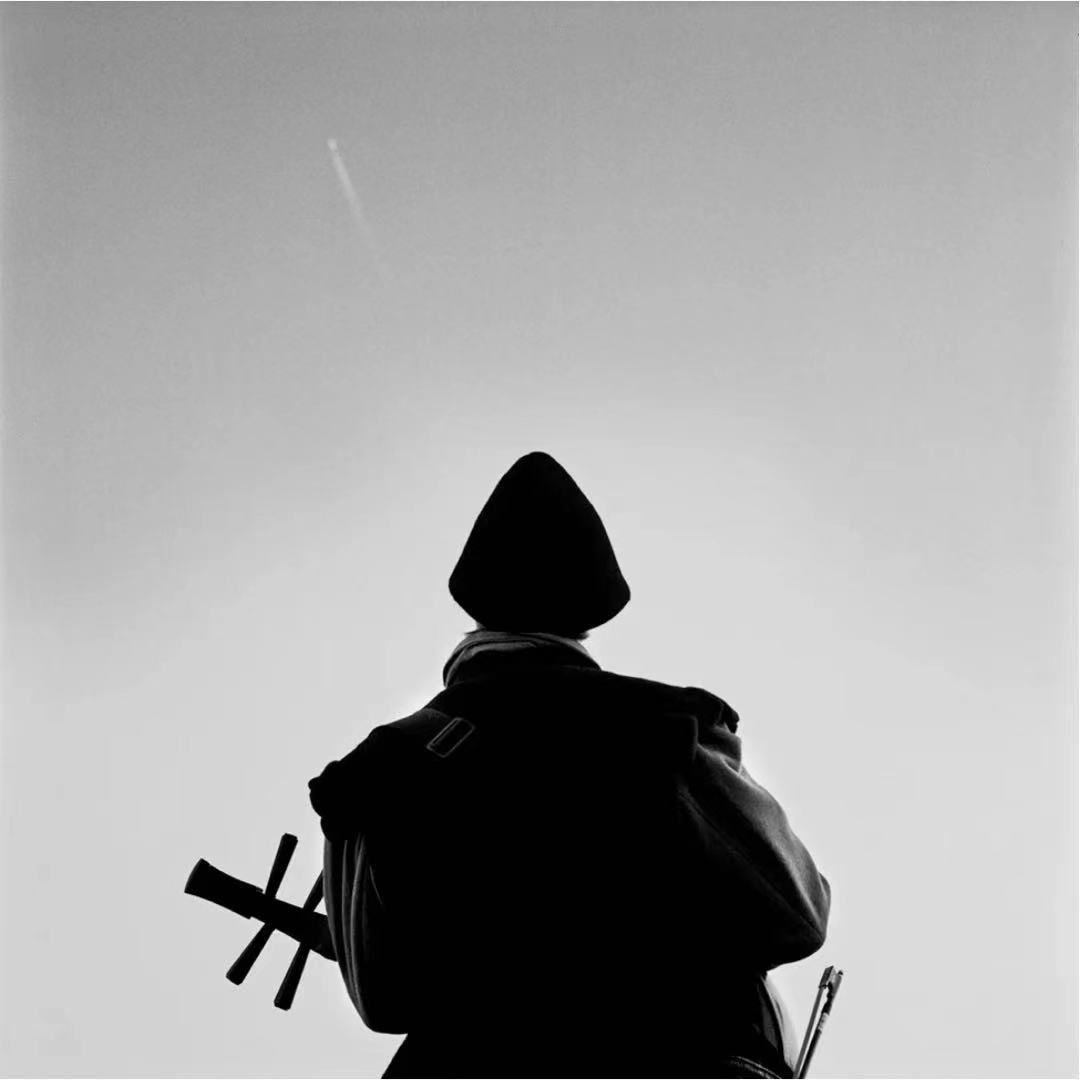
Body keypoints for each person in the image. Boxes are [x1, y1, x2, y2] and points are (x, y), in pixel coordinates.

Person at [308, 452, 830, 1079]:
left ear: (477, 610)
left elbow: (384, 999)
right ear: (587, 614)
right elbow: (796, 913)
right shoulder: (663, 728)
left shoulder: (379, 767)